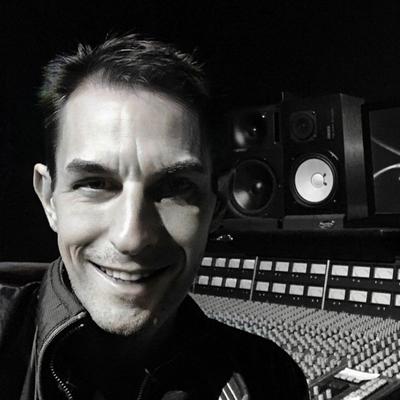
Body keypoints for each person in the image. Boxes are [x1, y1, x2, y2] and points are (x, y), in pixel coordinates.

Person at [0, 33, 308, 399]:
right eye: (95, 183)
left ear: (218, 205)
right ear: (49, 198)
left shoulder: (271, 380)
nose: (131, 237)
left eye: (175, 187)